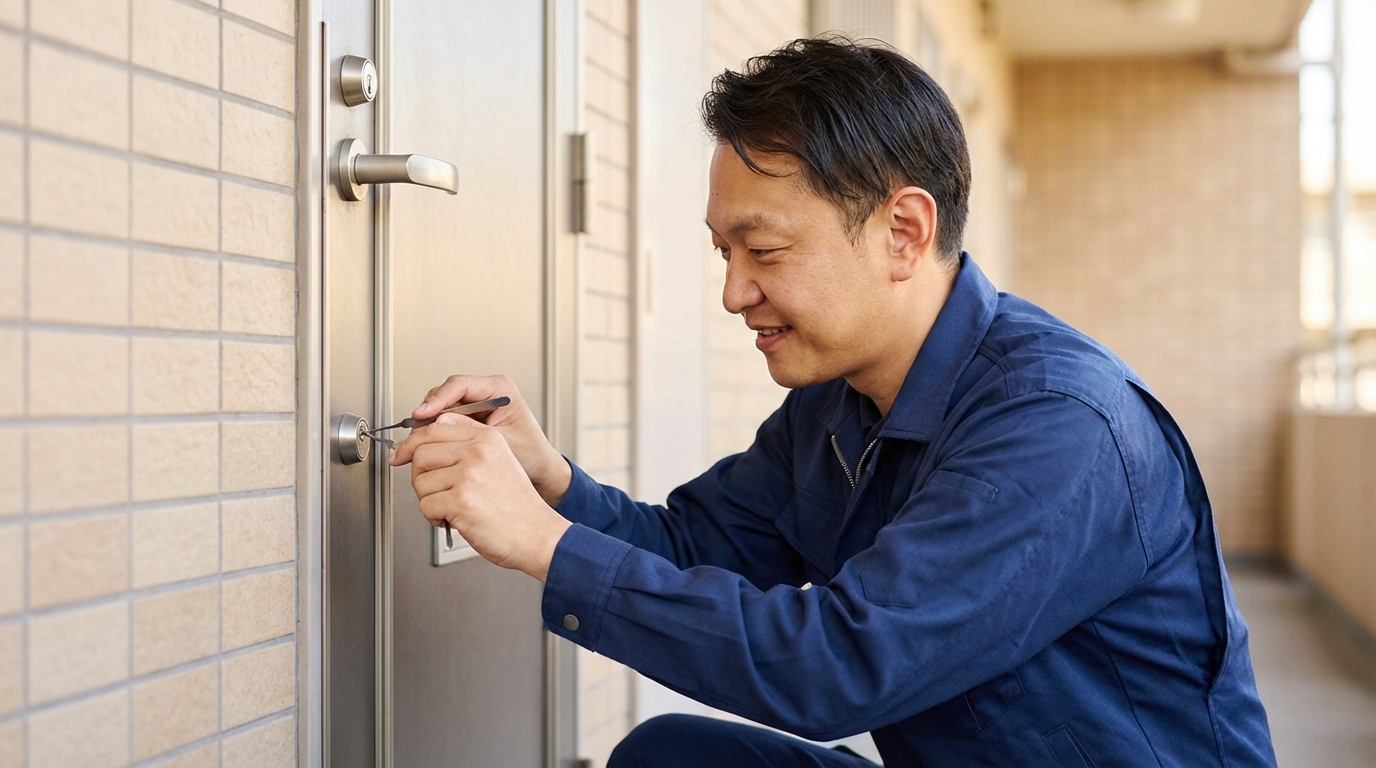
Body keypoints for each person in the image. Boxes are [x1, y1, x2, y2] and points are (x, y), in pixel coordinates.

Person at [389, 37, 1276, 768]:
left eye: (765, 251)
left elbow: (839, 666)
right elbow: (695, 549)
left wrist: (544, 545)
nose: (734, 293)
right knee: (672, 757)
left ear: (904, 232)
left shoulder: (1057, 423)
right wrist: (548, 483)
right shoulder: (838, 402)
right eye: (723, 253)